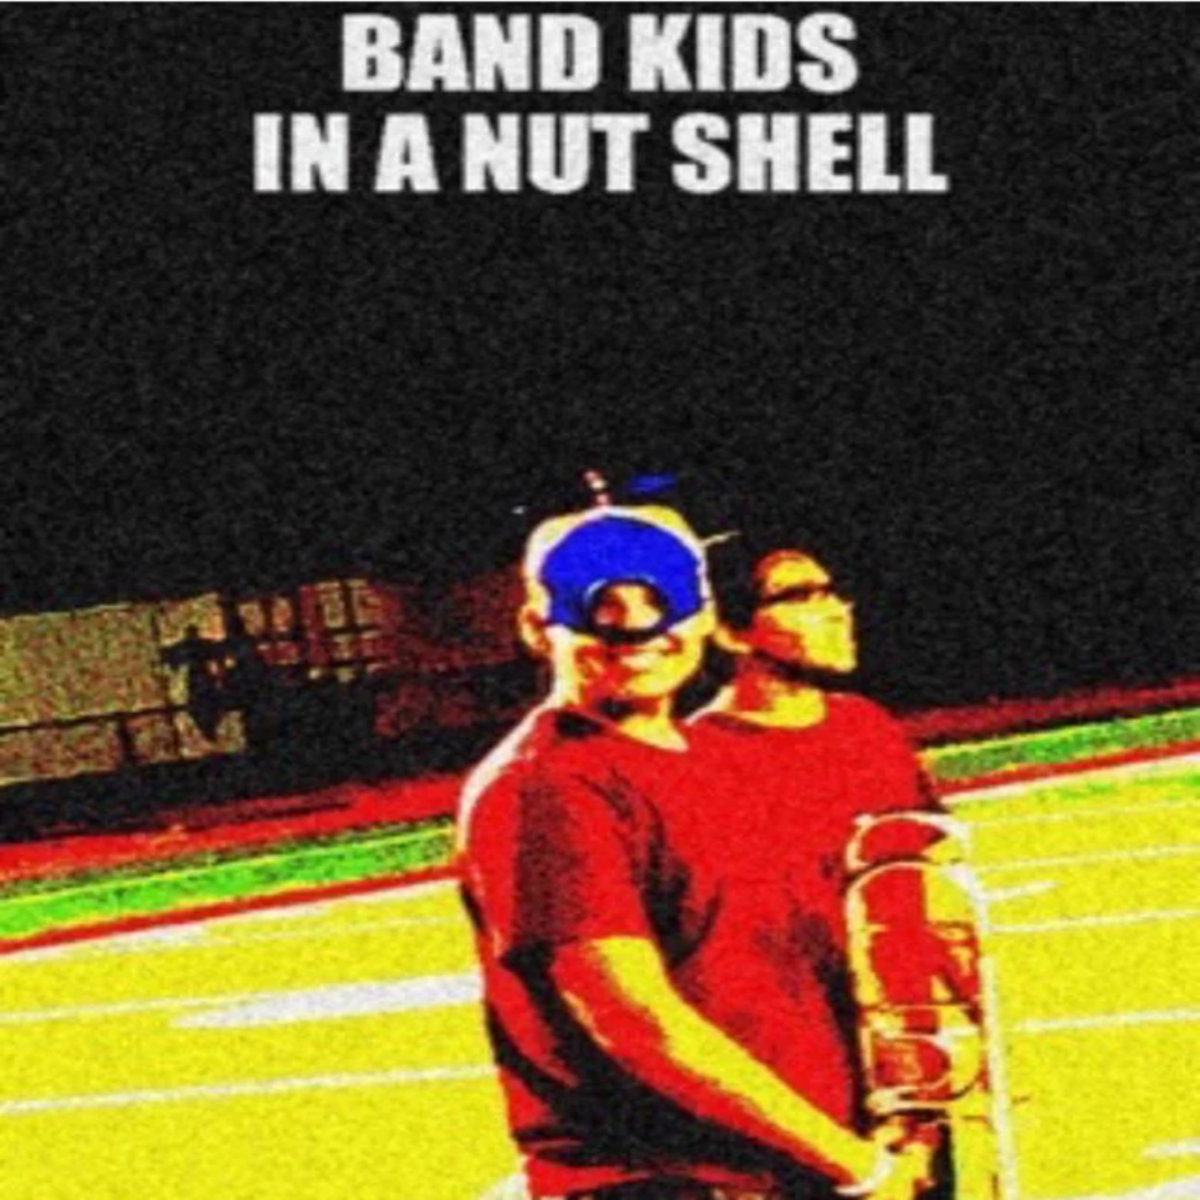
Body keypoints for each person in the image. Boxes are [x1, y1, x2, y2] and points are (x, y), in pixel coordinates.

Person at [457, 506, 930, 1200]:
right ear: (536, 625)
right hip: (677, 1183)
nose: (635, 628)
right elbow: (635, 1022)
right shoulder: (546, 784)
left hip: (792, 1173)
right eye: (597, 603)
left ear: (704, 614)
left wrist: (901, 1108)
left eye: (663, 595)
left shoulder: (712, 759)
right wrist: (858, 1167)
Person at [693, 540, 957, 1196]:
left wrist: (947, 1043)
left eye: (832, 591)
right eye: (798, 596)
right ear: (730, 631)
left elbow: (917, 887)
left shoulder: (869, 729)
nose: (836, 609)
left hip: (907, 1081)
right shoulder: (693, 761)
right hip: (796, 1101)